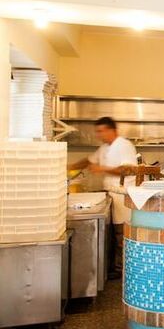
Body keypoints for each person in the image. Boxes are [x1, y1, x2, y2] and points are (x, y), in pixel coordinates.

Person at [68, 117, 138, 279]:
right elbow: (89, 160)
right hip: (110, 192)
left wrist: (102, 169)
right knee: (114, 234)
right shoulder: (105, 147)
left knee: (121, 234)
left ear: (112, 130)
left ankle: (123, 270)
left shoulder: (124, 145)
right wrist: (70, 166)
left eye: (101, 131)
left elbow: (129, 169)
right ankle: (116, 267)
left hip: (122, 194)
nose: (99, 135)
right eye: (97, 131)